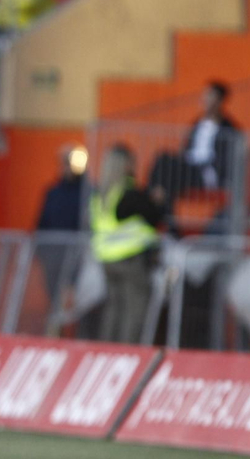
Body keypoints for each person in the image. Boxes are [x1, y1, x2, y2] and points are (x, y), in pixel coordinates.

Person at [91, 145, 163, 343]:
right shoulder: (128, 193)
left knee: (114, 309)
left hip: (106, 259)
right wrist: (156, 200)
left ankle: (109, 351)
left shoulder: (100, 195)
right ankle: (130, 351)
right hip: (130, 259)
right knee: (135, 310)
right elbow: (153, 215)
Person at [147, 80, 240, 212]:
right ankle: (153, 195)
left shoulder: (229, 129)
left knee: (169, 178)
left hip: (206, 173)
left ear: (220, 101)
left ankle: (163, 216)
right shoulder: (197, 124)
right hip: (189, 167)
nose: (205, 100)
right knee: (163, 159)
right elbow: (185, 149)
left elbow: (226, 160)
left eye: (210, 96)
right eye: (205, 95)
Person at [33, 143, 87, 313]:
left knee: (78, 300)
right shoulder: (53, 192)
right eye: (63, 162)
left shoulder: (86, 192)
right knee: (55, 299)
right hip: (53, 256)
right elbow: (42, 222)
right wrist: (40, 251)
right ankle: (56, 331)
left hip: (77, 256)